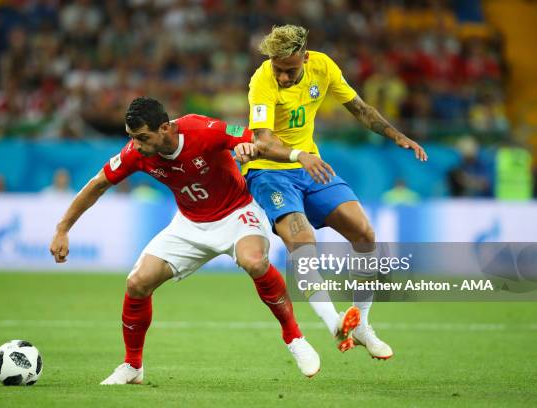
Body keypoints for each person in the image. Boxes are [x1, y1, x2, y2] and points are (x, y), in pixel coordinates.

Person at [49, 97, 356, 384]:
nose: (136, 145)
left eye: (142, 137)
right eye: (132, 137)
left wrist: (249, 148)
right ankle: (132, 366)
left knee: (255, 261)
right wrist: (63, 229)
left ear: (165, 128)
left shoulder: (202, 128)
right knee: (137, 282)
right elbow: (97, 184)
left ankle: (294, 338)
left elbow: (250, 137)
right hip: (189, 224)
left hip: (237, 213)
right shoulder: (136, 154)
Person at [236, 25, 428, 360]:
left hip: (310, 167)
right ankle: (333, 322)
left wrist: (397, 136)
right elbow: (263, 143)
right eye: (278, 70)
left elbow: (361, 109)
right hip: (269, 172)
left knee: (365, 233)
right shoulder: (261, 80)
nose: (282, 78)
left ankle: (363, 324)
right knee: (302, 240)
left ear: (305, 58)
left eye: (290, 71)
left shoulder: (323, 66)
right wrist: (300, 155)